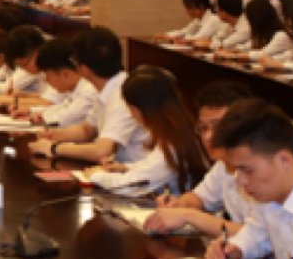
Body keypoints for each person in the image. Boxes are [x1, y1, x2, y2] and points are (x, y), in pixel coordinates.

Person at [161, 99, 293, 259]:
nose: (240, 180)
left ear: (283, 160)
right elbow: (258, 232)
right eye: (237, 170)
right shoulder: (271, 191)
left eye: (247, 170)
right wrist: (236, 249)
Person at [145, 81, 255, 237]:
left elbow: (258, 237)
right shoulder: (222, 165)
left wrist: (188, 216)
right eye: (203, 128)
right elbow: (199, 198)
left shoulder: (261, 170)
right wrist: (178, 204)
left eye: (218, 127)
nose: (208, 136)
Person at [29, 27, 151, 164]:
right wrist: (54, 135)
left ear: (84, 69)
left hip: (132, 171)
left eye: (74, 61)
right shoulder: (107, 87)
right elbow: (87, 130)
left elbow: (102, 151)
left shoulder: (122, 95)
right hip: (114, 168)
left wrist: (53, 148)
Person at [83, 67, 210, 195]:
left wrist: (96, 175)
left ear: (146, 109)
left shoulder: (172, 146)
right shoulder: (178, 130)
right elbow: (151, 166)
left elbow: (130, 186)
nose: (132, 115)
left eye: (132, 109)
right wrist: (126, 168)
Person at [9, 39, 100, 128]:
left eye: (47, 75)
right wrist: (31, 111)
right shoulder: (75, 88)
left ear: (65, 74)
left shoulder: (89, 91)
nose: (46, 80)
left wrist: (40, 117)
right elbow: (61, 108)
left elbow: (65, 119)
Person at [217, 0, 291, 62]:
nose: (248, 24)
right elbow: (249, 45)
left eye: (250, 21)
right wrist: (229, 51)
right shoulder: (265, 33)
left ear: (257, 21)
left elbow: (262, 54)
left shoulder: (282, 35)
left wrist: (232, 56)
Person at [0, 25, 47, 98]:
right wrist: (25, 95)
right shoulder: (33, 64)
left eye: (23, 65)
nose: (23, 69)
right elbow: (50, 97)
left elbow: (53, 100)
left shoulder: (53, 68)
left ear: (36, 55)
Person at [157, 0, 223, 43]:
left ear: (201, 7)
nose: (187, 11)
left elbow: (197, 38)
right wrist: (166, 34)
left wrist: (171, 37)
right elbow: (184, 32)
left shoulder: (213, 20)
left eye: (189, 8)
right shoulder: (198, 19)